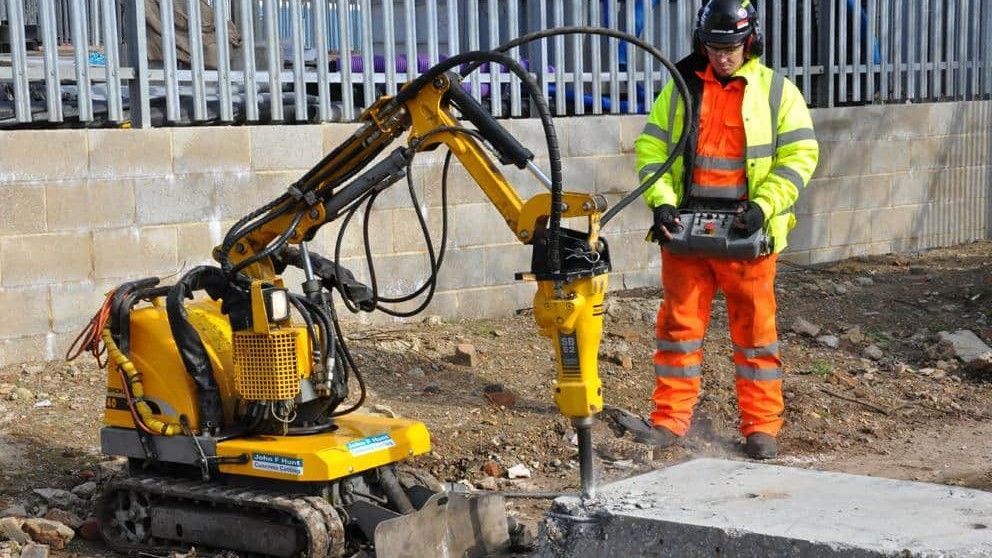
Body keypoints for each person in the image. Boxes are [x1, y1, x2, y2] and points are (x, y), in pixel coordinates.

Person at [634, 0, 819, 459]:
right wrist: (661, 204)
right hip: (686, 226)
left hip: (746, 228)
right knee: (679, 328)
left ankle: (761, 427)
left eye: (732, 47)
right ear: (703, 44)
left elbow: (800, 157)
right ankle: (670, 420)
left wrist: (763, 206)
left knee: (756, 332)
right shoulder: (680, 90)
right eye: (715, 48)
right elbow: (651, 150)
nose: (723, 57)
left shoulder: (777, 93)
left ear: (749, 41)